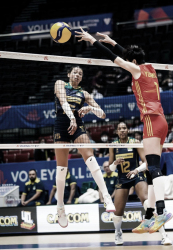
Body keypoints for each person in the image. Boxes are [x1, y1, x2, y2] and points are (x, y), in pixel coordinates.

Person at [75, 29, 172, 232]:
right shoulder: (150, 68)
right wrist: (113, 42)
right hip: (162, 120)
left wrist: (94, 41)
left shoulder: (135, 69)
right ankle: (149, 216)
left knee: (154, 169)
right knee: (152, 168)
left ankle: (162, 213)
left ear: (133, 62)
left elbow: (116, 59)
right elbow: (128, 56)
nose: (127, 65)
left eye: (130, 62)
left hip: (151, 120)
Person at [53, 66, 115, 228]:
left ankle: (107, 197)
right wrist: (71, 118)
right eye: (75, 72)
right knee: (61, 167)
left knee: (90, 155)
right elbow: (63, 101)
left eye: (80, 73)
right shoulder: (60, 84)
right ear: (68, 74)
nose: (78, 75)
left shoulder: (84, 93)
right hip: (62, 124)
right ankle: (60, 206)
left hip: (78, 125)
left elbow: (102, 114)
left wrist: (91, 108)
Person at [108, 122, 172, 245]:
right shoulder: (113, 145)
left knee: (147, 201)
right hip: (122, 178)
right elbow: (110, 169)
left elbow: (145, 161)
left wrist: (136, 170)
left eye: (124, 128)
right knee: (117, 213)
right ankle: (118, 232)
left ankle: (164, 235)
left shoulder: (135, 142)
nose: (122, 130)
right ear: (116, 131)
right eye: (119, 129)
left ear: (128, 130)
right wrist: (114, 164)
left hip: (136, 175)